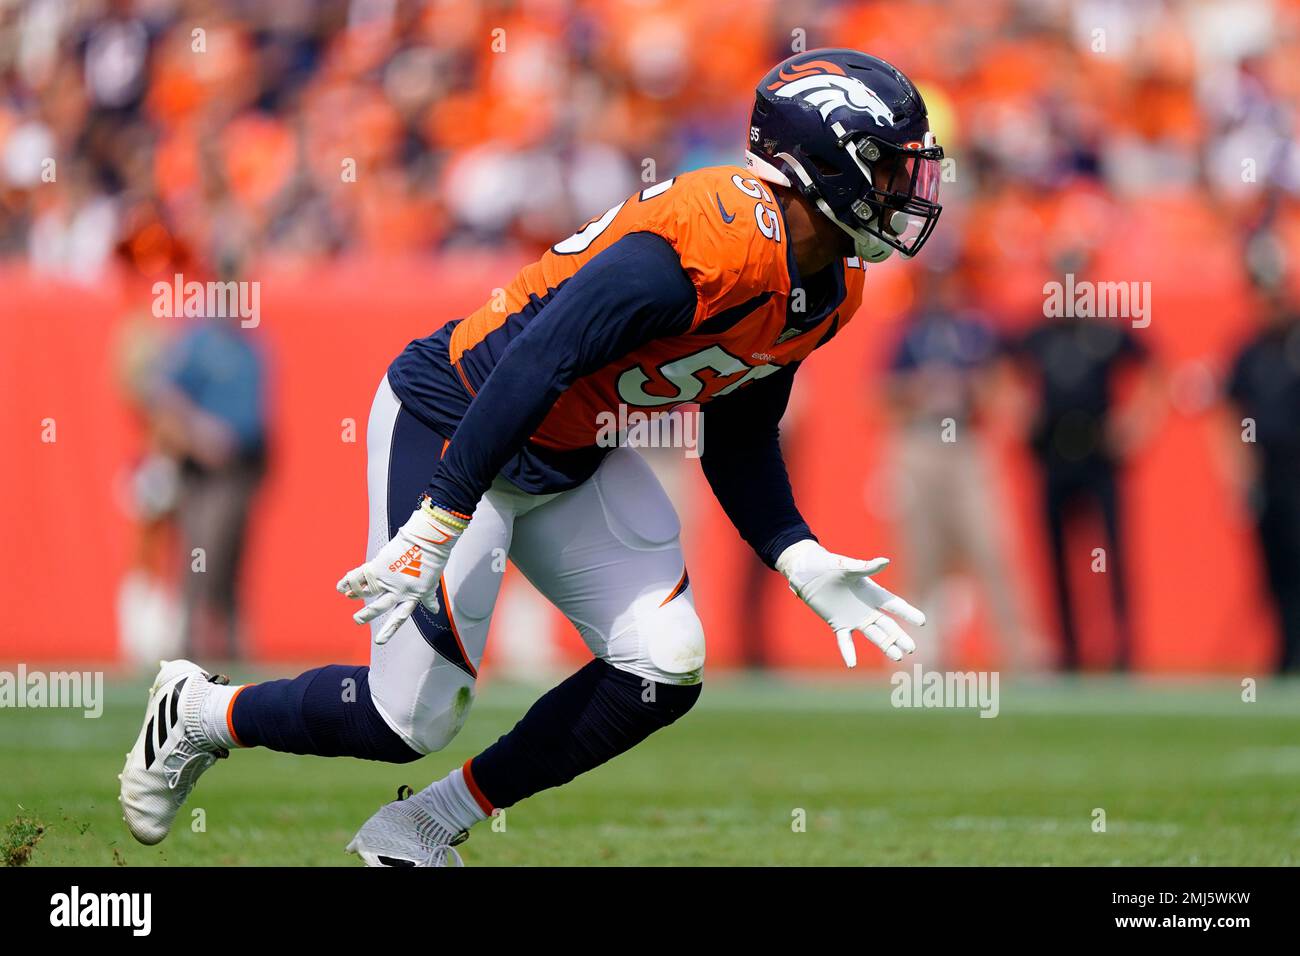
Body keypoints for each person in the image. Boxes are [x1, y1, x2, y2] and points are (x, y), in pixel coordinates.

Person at [118, 49, 941, 865]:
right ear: (828, 159)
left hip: (570, 452)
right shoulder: (714, 239)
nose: (911, 189)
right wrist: (445, 512)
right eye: (891, 165)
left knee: (663, 662)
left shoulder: (830, 285)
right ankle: (201, 711)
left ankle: (421, 828)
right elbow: (537, 358)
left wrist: (793, 551)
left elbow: (739, 428)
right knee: (406, 721)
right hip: (459, 417)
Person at [1224, 274, 1300, 673]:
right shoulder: (1249, 352)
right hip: (1267, 469)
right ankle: (1286, 650)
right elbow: (1231, 413)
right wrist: (1239, 475)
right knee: (1274, 565)